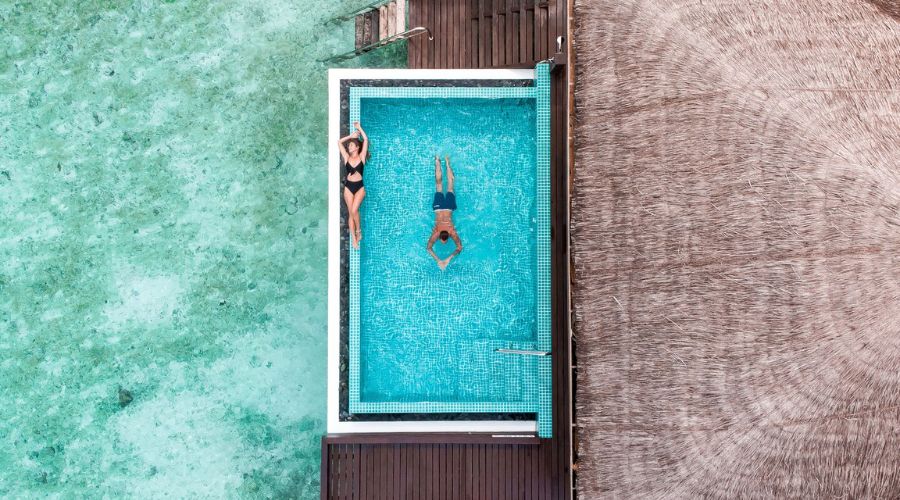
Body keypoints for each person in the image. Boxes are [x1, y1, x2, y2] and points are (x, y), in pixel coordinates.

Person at [427, 155, 463, 270]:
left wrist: (444, 260)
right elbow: (428, 248)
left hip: (448, 208)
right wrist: (442, 260)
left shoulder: (452, 232)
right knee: (438, 185)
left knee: (450, 186)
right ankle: (438, 161)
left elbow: (459, 248)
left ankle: (446, 162)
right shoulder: (436, 232)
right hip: (438, 209)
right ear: (441, 237)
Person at [337, 121, 368, 248]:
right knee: (351, 212)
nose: (348, 147)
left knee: (355, 210)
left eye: (350, 146)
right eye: (348, 146)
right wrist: (351, 136)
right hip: (349, 188)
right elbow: (339, 142)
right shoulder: (347, 158)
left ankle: (358, 230)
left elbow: (365, 139)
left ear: (356, 147)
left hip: (360, 187)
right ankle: (354, 239)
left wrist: (359, 128)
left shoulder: (361, 157)